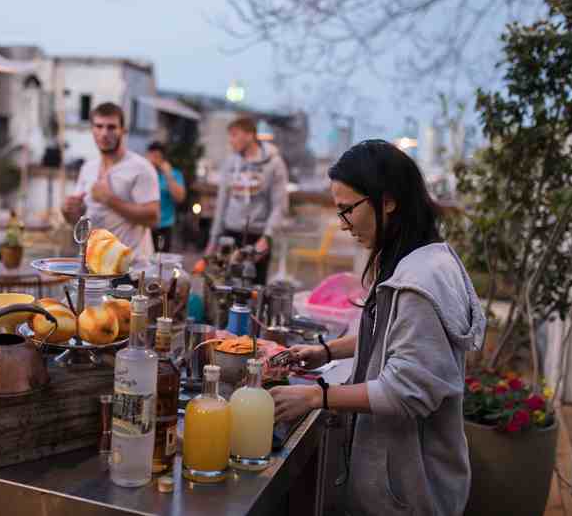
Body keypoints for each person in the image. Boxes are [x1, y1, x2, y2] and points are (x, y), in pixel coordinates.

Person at [270, 140, 485, 516]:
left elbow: (405, 391)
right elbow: (393, 334)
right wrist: (326, 351)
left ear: (387, 201)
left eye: (347, 210)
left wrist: (315, 397)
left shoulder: (421, 282)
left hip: (411, 493)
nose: (343, 224)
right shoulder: (417, 258)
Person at [62, 102, 160, 259]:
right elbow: (79, 221)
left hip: (129, 270)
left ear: (123, 130)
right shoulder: (88, 168)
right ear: (92, 129)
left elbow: (153, 218)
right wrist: (68, 211)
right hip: (94, 265)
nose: (104, 133)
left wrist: (109, 199)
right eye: (99, 126)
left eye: (111, 127)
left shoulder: (141, 167)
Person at [205, 117, 289, 285]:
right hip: (229, 234)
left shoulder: (274, 164)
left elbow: (279, 205)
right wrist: (213, 240)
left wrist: (268, 237)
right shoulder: (230, 162)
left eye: (235, 135)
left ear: (250, 135)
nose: (231, 140)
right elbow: (222, 203)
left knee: (254, 290)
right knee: (223, 286)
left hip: (258, 236)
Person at [146, 141, 186, 253]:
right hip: (144, 226)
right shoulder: (143, 173)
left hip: (164, 227)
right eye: (151, 156)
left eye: (157, 157)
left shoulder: (174, 174)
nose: (153, 160)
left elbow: (180, 197)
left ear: (163, 159)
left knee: (160, 263)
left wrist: (168, 175)